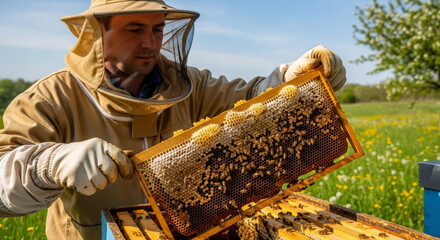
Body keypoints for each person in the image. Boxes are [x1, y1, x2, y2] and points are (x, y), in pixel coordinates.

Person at [0, 0, 346, 239]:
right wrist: (47, 164)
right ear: (95, 33)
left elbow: (251, 99)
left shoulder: (188, 85)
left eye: (157, 29)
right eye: (135, 29)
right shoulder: (50, 98)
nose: (151, 42)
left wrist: (294, 80)